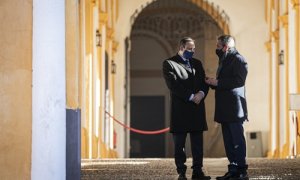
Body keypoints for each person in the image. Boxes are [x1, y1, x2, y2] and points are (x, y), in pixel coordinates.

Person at [162, 37, 210, 180]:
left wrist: (201, 94)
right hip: (180, 110)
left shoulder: (197, 63)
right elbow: (173, 85)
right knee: (179, 145)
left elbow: (204, 81)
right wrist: (190, 96)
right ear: (182, 47)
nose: (192, 51)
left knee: (197, 144)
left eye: (194, 48)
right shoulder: (169, 63)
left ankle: (197, 171)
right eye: (189, 49)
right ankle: (181, 172)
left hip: (197, 108)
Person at [205, 35, 249, 180]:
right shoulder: (224, 59)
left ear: (226, 47)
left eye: (218, 46)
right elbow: (223, 82)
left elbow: (239, 80)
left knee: (237, 140)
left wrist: (218, 83)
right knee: (228, 141)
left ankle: (242, 170)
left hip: (235, 108)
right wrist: (213, 82)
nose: (216, 48)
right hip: (225, 107)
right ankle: (233, 169)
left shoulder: (238, 59)